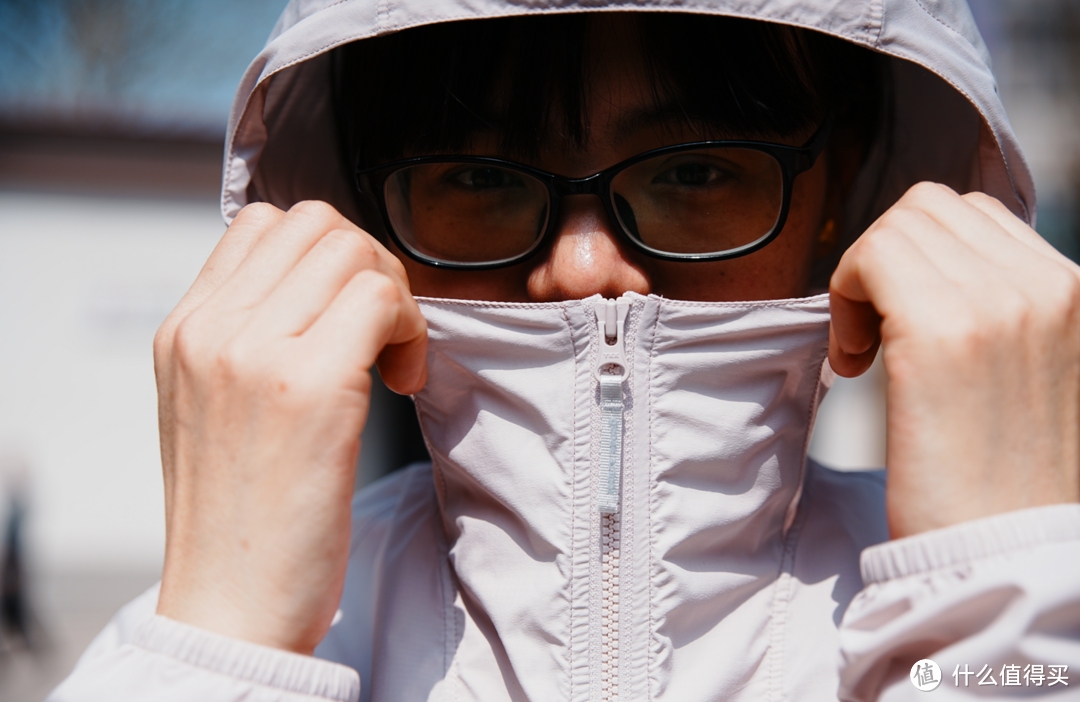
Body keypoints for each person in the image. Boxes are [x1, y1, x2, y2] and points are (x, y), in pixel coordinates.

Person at [49, 1, 1080, 701]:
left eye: (698, 171)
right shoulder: (206, 632)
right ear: (365, 214)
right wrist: (225, 643)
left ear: (845, 198)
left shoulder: (1028, 588)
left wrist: (1003, 603)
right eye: (479, 176)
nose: (585, 269)